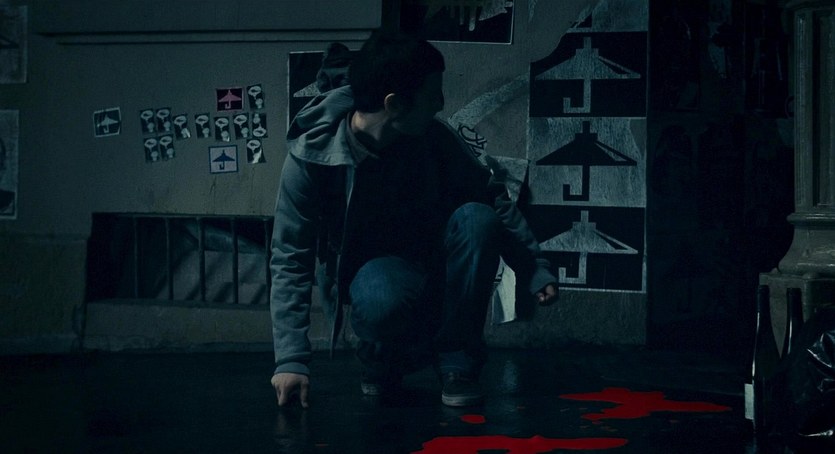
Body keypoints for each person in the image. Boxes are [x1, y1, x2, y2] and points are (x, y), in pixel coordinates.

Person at [269, 29, 558, 409]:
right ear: (394, 104)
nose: (440, 104)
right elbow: (290, 256)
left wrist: (532, 266)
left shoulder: (431, 137)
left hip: (435, 257)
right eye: (431, 94)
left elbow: (489, 196)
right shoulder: (312, 158)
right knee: (381, 295)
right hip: (375, 276)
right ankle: (381, 359)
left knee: (478, 218)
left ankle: (457, 365)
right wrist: (291, 360)